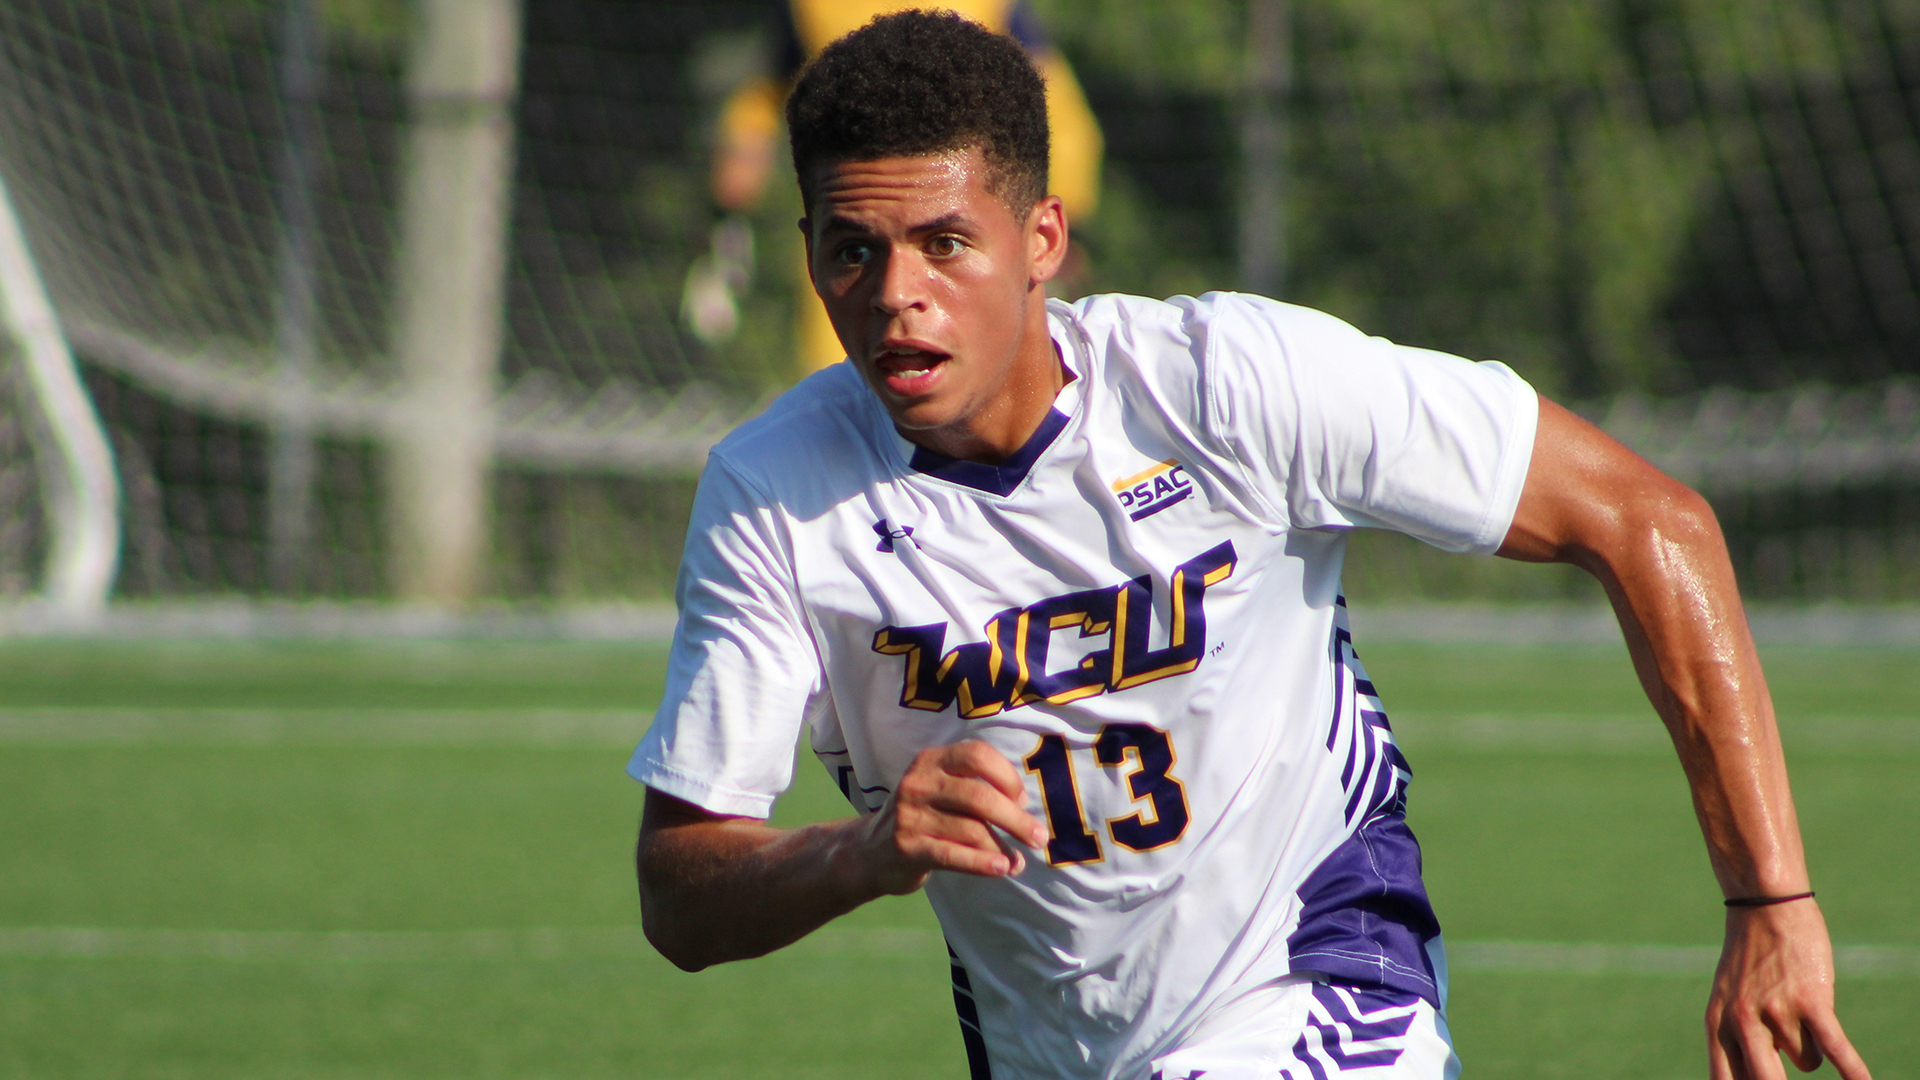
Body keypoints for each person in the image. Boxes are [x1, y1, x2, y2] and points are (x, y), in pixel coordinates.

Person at [631, 11, 1872, 1080]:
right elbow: (682, 894)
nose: (897, 290)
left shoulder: (1229, 385)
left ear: (1043, 242)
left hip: (1324, 986)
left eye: (946, 243)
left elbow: (1650, 520)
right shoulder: (772, 496)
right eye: (852, 249)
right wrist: (867, 847)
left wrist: (1773, 898)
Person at [681, 0, 1101, 373]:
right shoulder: (810, 9)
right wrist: (726, 221)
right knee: (849, 393)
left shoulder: (995, 10)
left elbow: (1054, 106)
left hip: (954, 226)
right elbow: (760, 103)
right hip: (863, 241)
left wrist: (1064, 219)